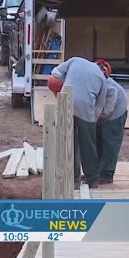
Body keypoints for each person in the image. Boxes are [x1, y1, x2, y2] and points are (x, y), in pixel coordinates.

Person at [47, 56, 108, 189]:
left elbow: (55, 74)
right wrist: (92, 121)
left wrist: (69, 83)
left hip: (65, 103)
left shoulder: (75, 60)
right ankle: (92, 180)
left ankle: (73, 180)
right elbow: (100, 105)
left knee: (68, 143)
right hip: (86, 110)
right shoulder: (103, 79)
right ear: (103, 70)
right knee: (88, 146)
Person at [95, 60, 129, 184]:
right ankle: (97, 173)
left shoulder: (104, 82)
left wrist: (103, 115)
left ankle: (107, 174)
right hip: (105, 110)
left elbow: (112, 94)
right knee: (98, 140)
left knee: (110, 142)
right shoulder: (89, 77)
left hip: (116, 111)